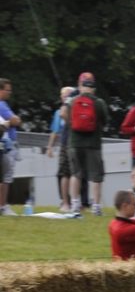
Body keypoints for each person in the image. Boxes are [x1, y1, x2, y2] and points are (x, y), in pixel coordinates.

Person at [67, 72, 109, 215]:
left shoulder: (72, 101)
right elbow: (105, 121)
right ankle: (96, 207)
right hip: (93, 144)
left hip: (75, 143)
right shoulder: (99, 103)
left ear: (81, 87)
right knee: (96, 176)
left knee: (76, 174)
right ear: (93, 89)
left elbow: (68, 120)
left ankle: (74, 205)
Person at [46, 86, 76, 214]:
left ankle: (73, 202)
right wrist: (50, 147)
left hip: (72, 144)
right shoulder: (59, 112)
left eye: (65, 95)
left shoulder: (73, 109)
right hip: (65, 144)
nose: (63, 97)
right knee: (64, 173)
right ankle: (65, 201)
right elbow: (55, 131)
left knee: (72, 174)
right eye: (62, 95)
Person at [0, 78, 21, 214]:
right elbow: (15, 121)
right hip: (6, 145)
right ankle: (3, 206)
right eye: (8, 90)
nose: (10, 92)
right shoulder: (1, 105)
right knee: (6, 176)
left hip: (5, 144)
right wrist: (14, 120)